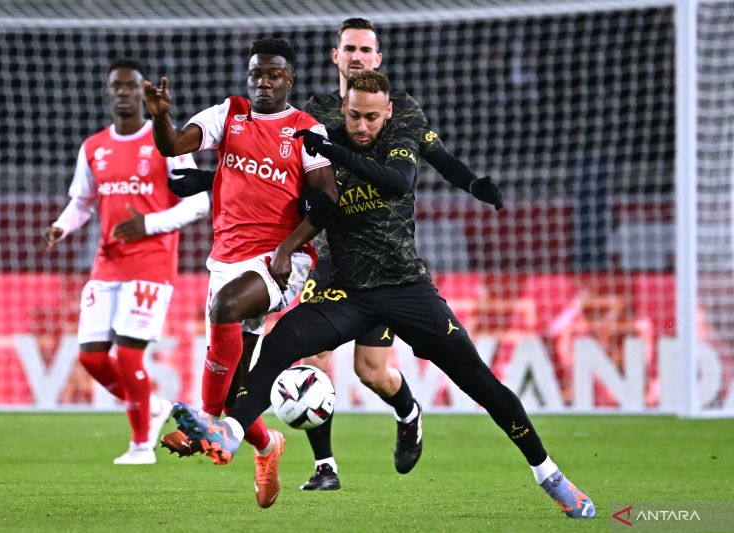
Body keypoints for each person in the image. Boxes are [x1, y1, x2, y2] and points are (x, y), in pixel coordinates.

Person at [170, 70, 596, 519]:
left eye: (371, 117)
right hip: (347, 291)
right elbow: (277, 184)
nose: (361, 126)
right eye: (353, 115)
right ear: (345, 107)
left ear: (387, 112)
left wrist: (335, 151)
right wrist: (204, 184)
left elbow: (397, 182)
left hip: (405, 288)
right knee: (280, 345)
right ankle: (232, 431)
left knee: (479, 381)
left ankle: (549, 474)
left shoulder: (397, 137)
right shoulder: (320, 140)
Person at [165, 18, 505, 492]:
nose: (358, 56)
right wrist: (209, 181)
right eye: (350, 48)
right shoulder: (318, 111)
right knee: (310, 362)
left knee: (373, 371)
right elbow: (279, 176)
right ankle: (325, 466)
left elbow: (435, 158)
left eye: (366, 48)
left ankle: (407, 411)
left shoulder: (398, 108)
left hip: (383, 261)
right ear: (335, 55)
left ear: (378, 58)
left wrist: (472, 183)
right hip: (327, 254)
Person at [144, 38, 337, 508]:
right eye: (256, 75)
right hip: (226, 258)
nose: (263, 82)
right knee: (237, 396)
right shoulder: (228, 115)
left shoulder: (308, 130)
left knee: (223, 306)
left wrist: (290, 248)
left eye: (273, 75)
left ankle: (205, 425)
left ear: (289, 78)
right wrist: (160, 115)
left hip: (279, 259)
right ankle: (268, 446)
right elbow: (172, 145)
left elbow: (327, 202)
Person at [44, 58, 210, 465]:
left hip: (151, 265)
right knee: (92, 357)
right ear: (108, 93)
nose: (123, 92)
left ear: (142, 92)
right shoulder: (94, 147)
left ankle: (141, 446)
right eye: (116, 86)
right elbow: (81, 203)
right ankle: (151, 405)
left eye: (130, 85)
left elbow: (199, 203)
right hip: (107, 264)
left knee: (129, 356)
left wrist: (147, 224)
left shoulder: (165, 142)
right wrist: (62, 227)